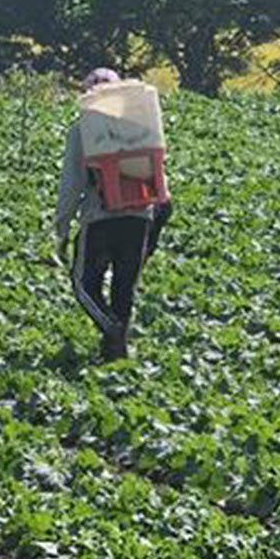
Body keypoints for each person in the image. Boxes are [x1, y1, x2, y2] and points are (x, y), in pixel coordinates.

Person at [55, 68, 173, 359]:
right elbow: (158, 175)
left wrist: (62, 227)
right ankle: (115, 353)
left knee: (83, 284)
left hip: (100, 217)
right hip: (140, 218)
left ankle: (112, 330)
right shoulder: (140, 123)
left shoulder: (82, 129)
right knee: (124, 287)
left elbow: (72, 183)